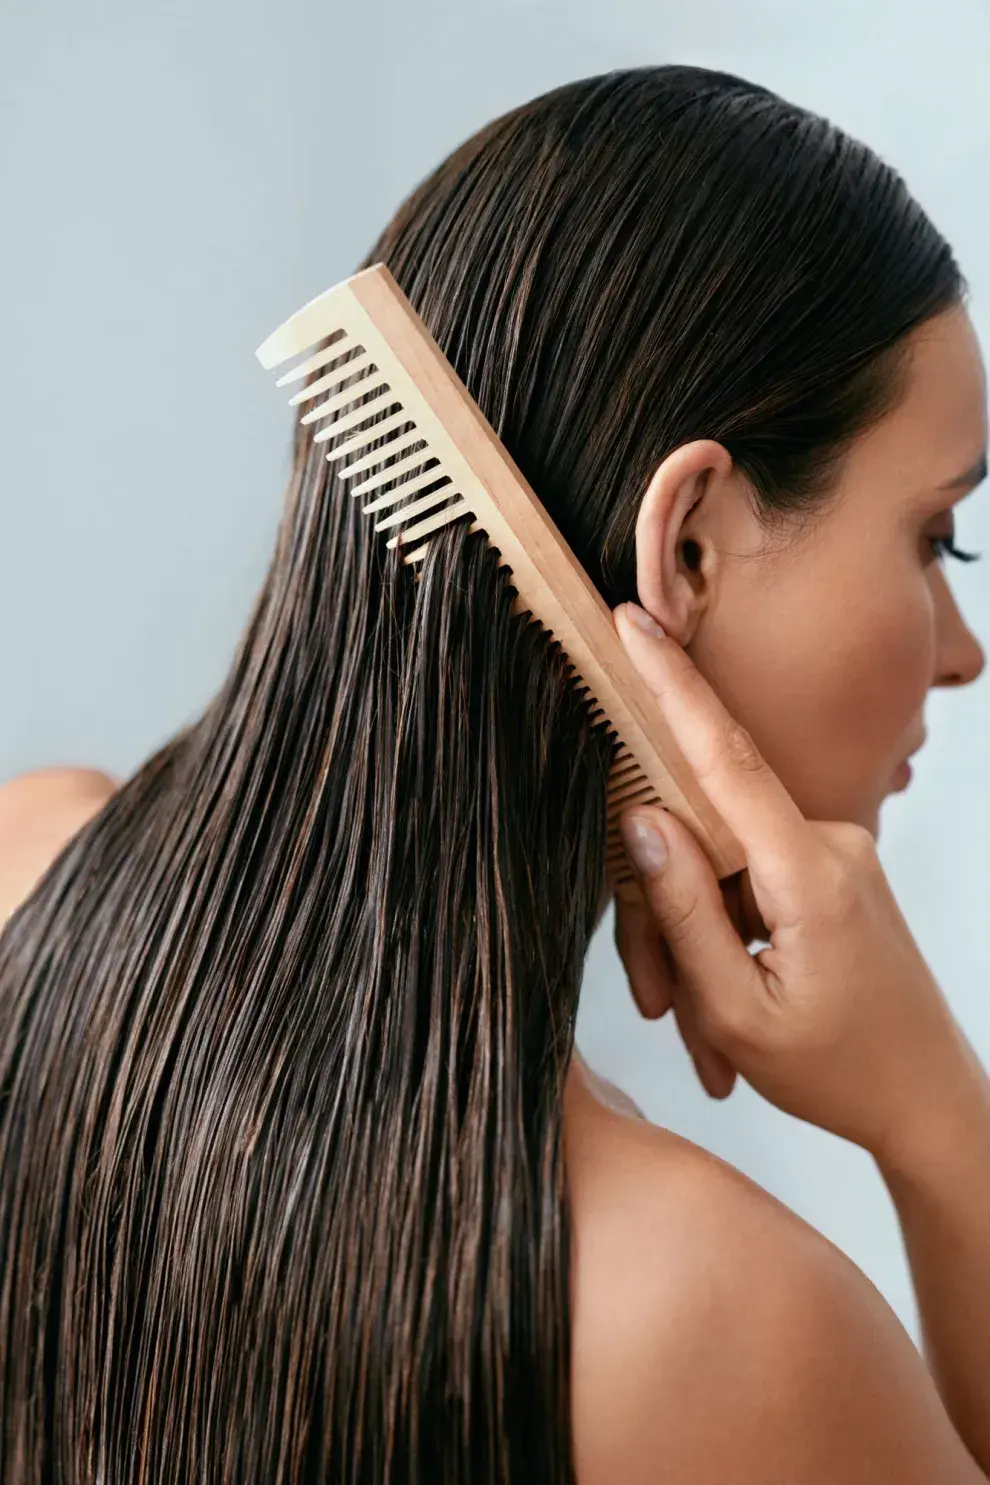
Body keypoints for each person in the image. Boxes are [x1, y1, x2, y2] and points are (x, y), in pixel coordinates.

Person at [1, 61, 989, 1484]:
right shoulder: (717, 1326)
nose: (959, 653)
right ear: (688, 545)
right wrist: (937, 1121)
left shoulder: (27, 859)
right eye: (933, 541)